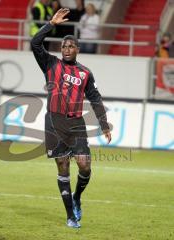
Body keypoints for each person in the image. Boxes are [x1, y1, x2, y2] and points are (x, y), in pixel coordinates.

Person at [31, 8, 111, 228]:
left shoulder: (85, 73)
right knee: (63, 168)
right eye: (64, 46)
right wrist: (51, 24)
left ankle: (77, 196)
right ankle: (70, 216)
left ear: (77, 49)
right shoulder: (50, 64)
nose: (67, 49)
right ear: (61, 49)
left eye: (71, 46)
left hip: (76, 124)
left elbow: (95, 98)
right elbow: (35, 43)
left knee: (85, 167)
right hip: (54, 122)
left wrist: (104, 124)